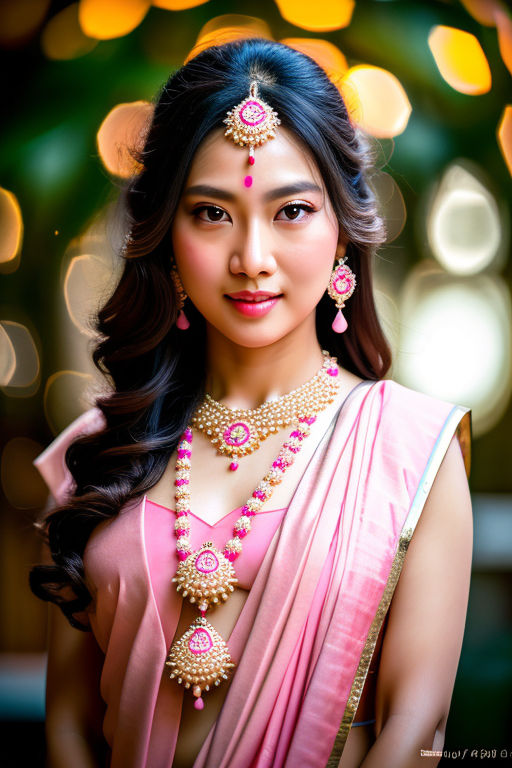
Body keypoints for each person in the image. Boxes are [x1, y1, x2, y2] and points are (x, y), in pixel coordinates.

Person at [29, 37, 473, 768]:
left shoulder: (410, 455)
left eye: (291, 210)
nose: (253, 258)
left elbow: (414, 729)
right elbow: (70, 726)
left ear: (341, 231)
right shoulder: (101, 454)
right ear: (166, 237)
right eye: (211, 214)